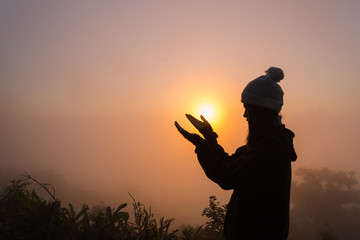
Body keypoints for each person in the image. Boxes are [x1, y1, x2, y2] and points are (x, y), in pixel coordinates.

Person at [175, 67, 297, 240]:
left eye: (248, 108)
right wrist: (210, 138)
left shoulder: (271, 147)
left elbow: (226, 176)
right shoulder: (264, 145)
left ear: (261, 112)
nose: (244, 115)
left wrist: (200, 144)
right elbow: (229, 163)